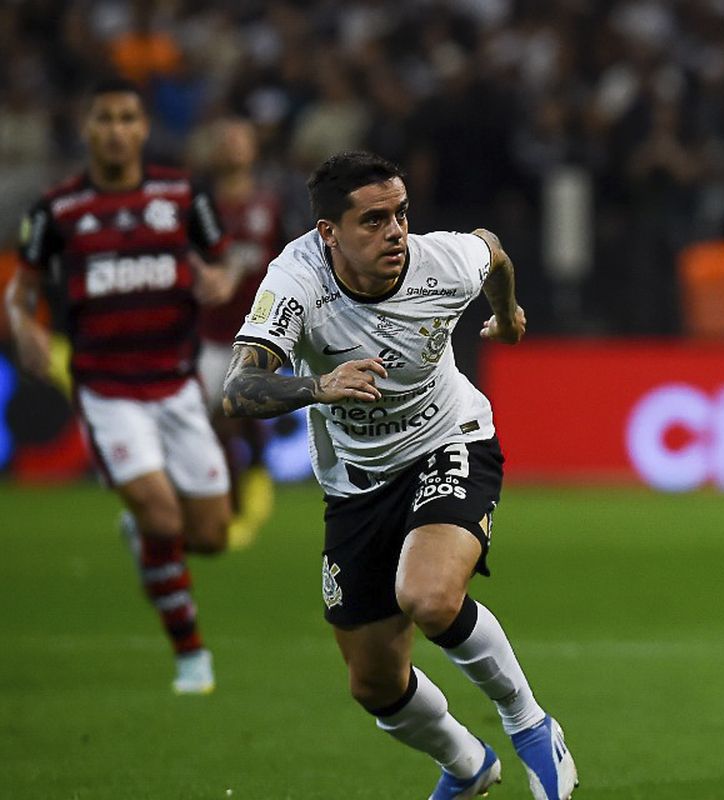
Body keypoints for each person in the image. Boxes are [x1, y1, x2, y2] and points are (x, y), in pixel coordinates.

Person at [219, 151, 577, 800]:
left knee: (430, 596)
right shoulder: (295, 282)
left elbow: (492, 252)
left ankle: (530, 723)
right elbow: (239, 388)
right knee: (374, 684)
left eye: (402, 214)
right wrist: (319, 386)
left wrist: (509, 315)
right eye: (374, 220)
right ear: (328, 233)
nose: (396, 232)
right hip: (355, 483)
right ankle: (467, 764)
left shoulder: (439, 261)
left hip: (451, 441)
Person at [6, 77, 241, 695]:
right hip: (107, 391)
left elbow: (224, 257)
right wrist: (21, 327)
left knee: (213, 535)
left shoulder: (182, 194)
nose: (115, 129)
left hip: (176, 385)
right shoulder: (56, 210)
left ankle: (141, 532)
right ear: (87, 129)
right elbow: (21, 288)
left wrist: (217, 277)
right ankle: (191, 656)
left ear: (142, 129)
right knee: (166, 517)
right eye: (103, 118)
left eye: (127, 118)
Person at [194, 117, 284, 547]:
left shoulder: (270, 205)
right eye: (224, 139)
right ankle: (235, 498)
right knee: (213, 428)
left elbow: (292, 259)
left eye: (239, 139)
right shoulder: (199, 209)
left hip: (257, 334)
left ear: (253, 148)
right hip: (208, 337)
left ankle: (240, 503)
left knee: (228, 417)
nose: (232, 147)